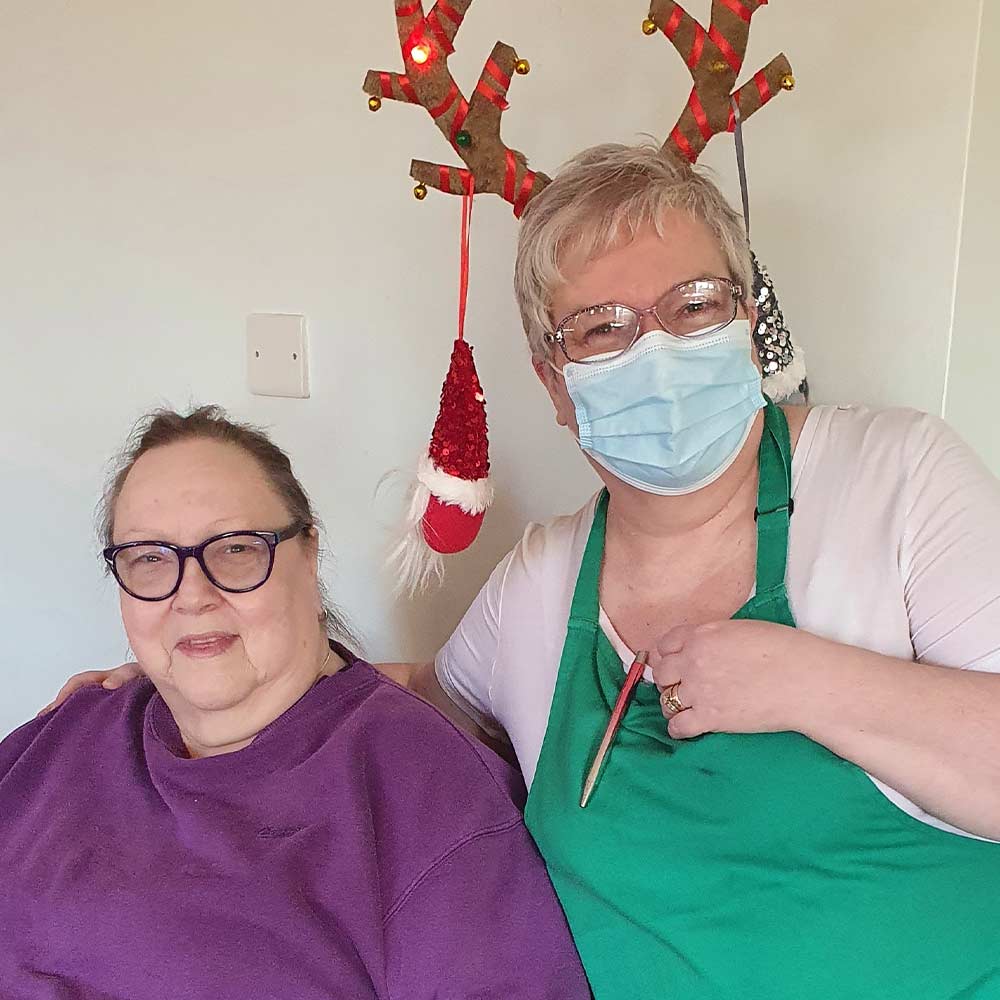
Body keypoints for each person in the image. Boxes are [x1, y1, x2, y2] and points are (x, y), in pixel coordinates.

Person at [51, 143, 1000, 999]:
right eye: (601, 328)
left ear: (750, 321)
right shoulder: (542, 579)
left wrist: (811, 681)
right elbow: (430, 697)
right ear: (553, 384)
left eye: (693, 307)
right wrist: (200, 662)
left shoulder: (899, 475)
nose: (656, 351)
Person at [1, 406, 588, 1000]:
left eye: (235, 549)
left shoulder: (429, 801)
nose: (192, 595)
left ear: (309, 552)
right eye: (150, 559)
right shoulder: (65, 735)